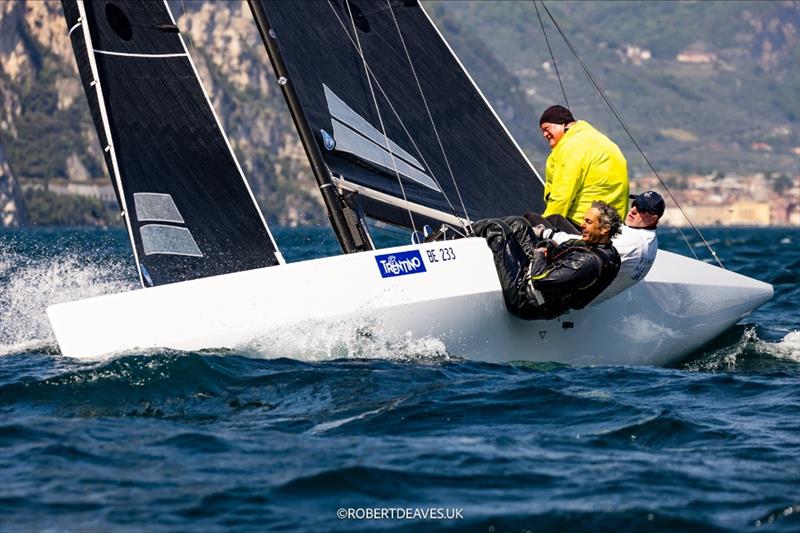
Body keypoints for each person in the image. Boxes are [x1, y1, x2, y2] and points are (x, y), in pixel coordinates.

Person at [473, 201, 621, 320]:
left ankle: (459, 235)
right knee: (519, 223)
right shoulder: (608, 251)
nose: (582, 224)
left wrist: (538, 253)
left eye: (588, 222)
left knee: (498, 229)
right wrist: (548, 245)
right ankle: (470, 232)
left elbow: (540, 279)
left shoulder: (586, 262)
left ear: (604, 229)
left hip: (526, 298)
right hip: (541, 288)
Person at [533, 190, 664, 305]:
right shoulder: (650, 238)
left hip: (577, 293)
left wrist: (546, 233)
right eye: (635, 204)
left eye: (641, 210)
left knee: (533, 220)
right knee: (556, 220)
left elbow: (581, 245)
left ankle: (532, 263)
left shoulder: (632, 241)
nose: (633, 210)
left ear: (653, 219)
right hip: (594, 288)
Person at [532, 105, 629, 230]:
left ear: (564, 124)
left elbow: (562, 196)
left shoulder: (571, 147)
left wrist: (544, 226)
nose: (545, 134)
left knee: (527, 222)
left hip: (582, 224)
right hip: (611, 227)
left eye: (547, 128)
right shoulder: (602, 141)